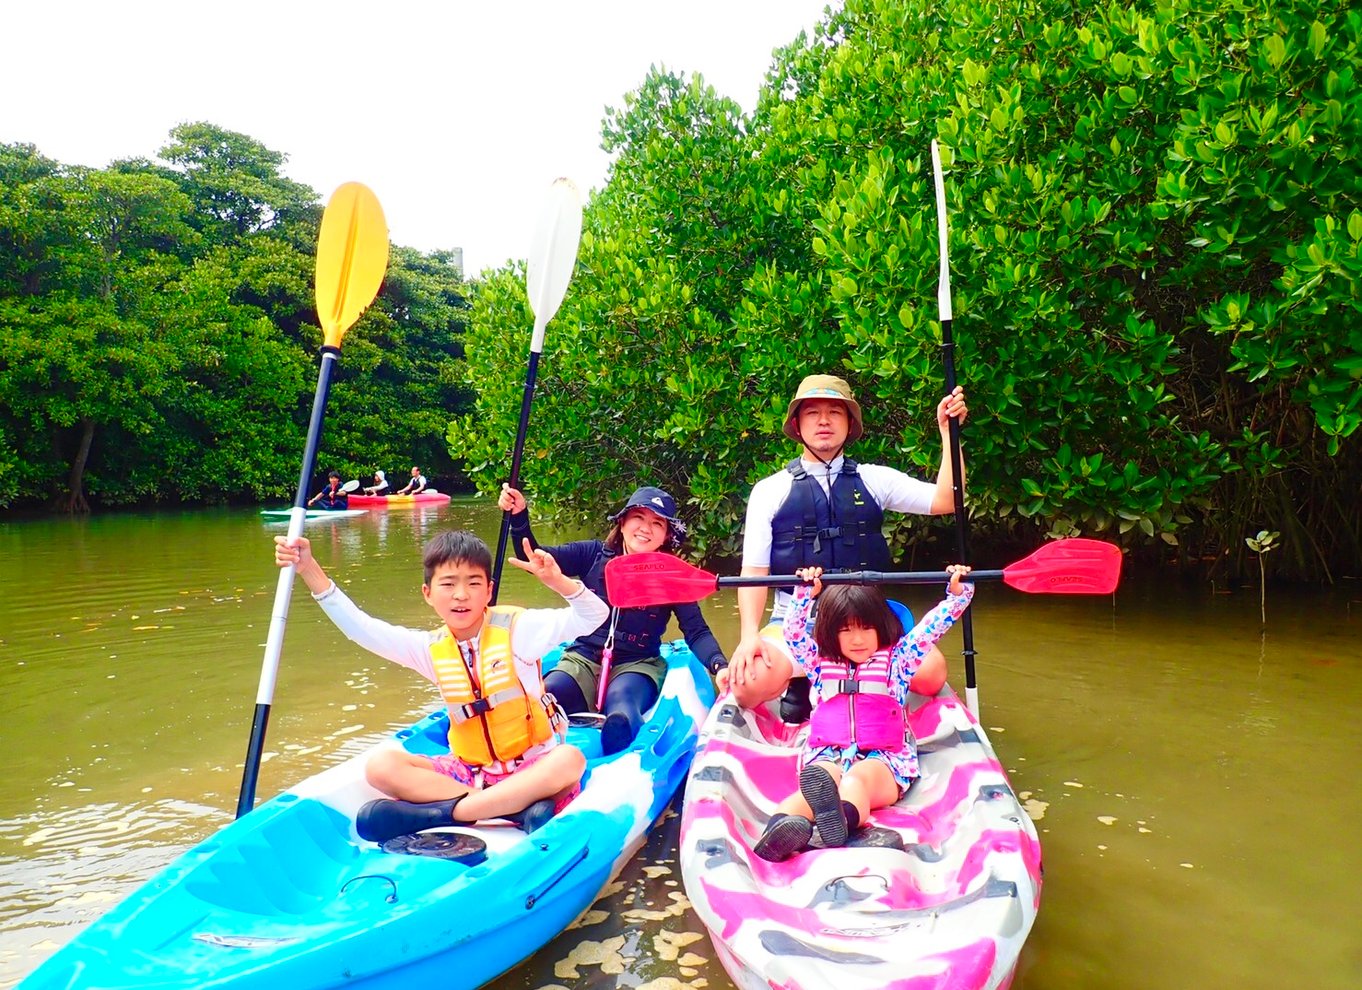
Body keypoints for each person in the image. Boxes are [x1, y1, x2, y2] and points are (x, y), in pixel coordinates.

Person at [272, 528, 608, 841]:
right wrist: (310, 569)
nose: (461, 595)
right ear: (428, 593)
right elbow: (362, 629)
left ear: (489, 590)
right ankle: (509, 809)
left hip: (531, 766)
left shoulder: (520, 630)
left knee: (569, 759)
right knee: (381, 766)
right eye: (448, 584)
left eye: (473, 583)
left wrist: (559, 581)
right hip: (470, 774)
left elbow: (595, 616)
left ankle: (449, 813)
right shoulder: (430, 650)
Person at [719, 374, 968, 720]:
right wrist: (748, 637)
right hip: (799, 619)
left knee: (931, 675)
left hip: (867, 619)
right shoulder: (769, 490)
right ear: (797, 424)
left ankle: (858, 678)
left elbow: (947, 500)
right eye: (812, 413)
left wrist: (948, 434)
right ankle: (805, 677)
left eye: (835, 412)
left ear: (849, 424)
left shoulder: (875, 479)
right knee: (747, 685)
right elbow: (754, 573)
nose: (823, 421)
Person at [753, 564, 975, 861]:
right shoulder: (818, 662)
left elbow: (933, 626)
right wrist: (805, 594)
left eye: (865, 628)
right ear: (831, 633)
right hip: (829, 754)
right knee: (818, 786)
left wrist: (958, 595)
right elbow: (792, 633)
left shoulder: (900, 658)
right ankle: (778, 831)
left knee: (855, 780)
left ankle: (836, 826)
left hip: (884, 760)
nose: (857, 639)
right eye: (846, 630)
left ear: (880, 626)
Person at [498, 484, 728, 755]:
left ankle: (615, 766)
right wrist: (519, 517)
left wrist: (720, 665)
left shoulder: (670, 577)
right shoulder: (592, 554)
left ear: (666, 536)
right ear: (622, 522)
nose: (646, 528)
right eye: (639, 518)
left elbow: (696, 631)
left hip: (637, 664)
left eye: (657, 523)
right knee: (544, 698)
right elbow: (534, 555)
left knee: (621, 707)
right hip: (582, 657)